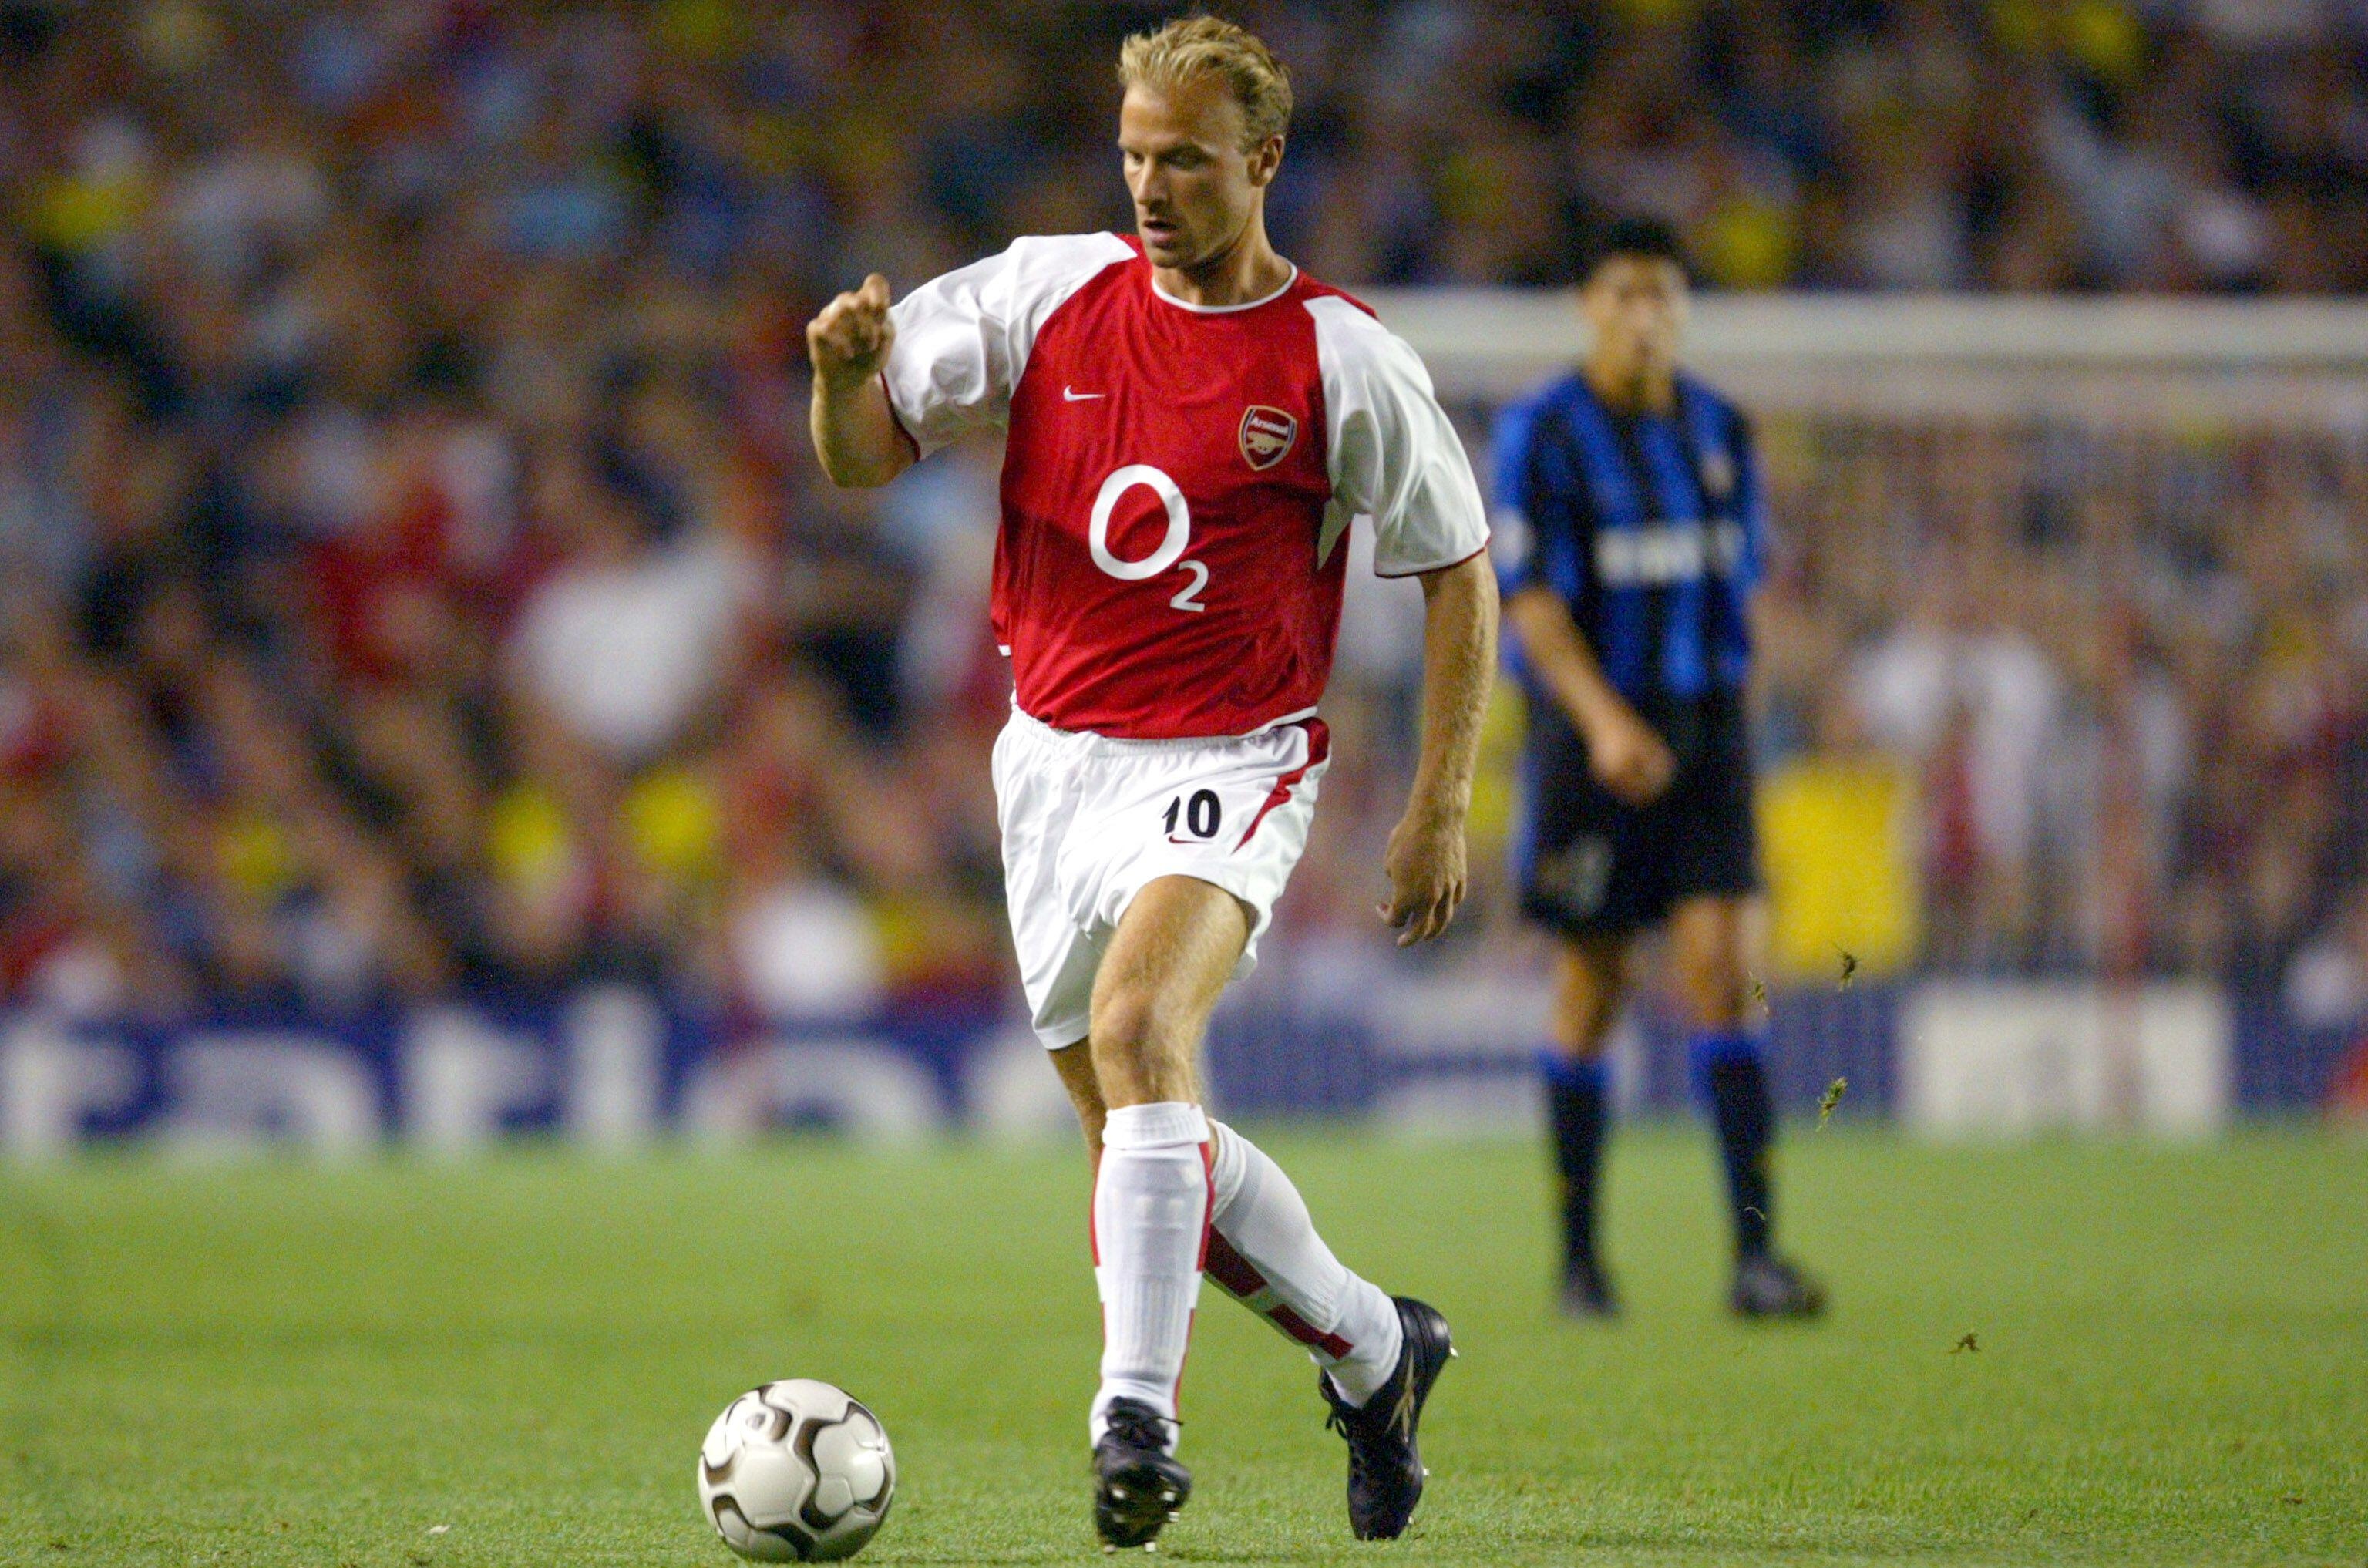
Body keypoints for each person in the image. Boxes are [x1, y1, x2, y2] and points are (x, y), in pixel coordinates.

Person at [801, 16, 1498, 1553]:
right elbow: (863, 458)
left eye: (1183, 158)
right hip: (1050, 765)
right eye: (1133, 153)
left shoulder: (1341, 357)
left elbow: (1457, 570)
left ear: (1262, 161)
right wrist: (842, 381)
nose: (1150, 183)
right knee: (1140, 1136)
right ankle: (1380, 1353)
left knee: (1137, 1030)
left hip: (1233, 756)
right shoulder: (1048, 291)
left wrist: (1439, 800)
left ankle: (1136, 1418)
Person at [1492, 217, 1826, 1322]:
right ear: (1590, 302)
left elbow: (1740, 593)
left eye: (1664, 295)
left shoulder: (1723, 427)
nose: (1646, 315)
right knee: (1593, 986)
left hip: (1709, 731)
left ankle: (1755, 1260)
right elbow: (1530, 600)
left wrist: (1743, 716)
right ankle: (1579, 1264)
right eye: (1626, 292)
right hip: (1590, 738)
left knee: (1724, 971)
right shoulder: (1542, 431)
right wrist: (1600, 721)